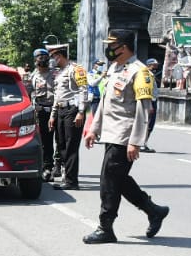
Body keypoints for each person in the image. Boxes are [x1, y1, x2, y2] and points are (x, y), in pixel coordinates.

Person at [81, 30, 169, 244]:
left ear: (124, 47)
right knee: (117, 179)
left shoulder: (141, 72)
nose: (109, 49)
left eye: (113, 45)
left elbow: (143, 110)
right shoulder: (115, 68)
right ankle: (153, 210)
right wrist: (94, 128)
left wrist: (136, 141)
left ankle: (105, 227)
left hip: (124, 135)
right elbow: (105, 102)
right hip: (111, 133)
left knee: (109, 182)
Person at [47, 43, 87, 190]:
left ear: (61, 55)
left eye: (54, 56)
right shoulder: (60, 72)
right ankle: (66, 176)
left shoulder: (76, 69)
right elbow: (58, 96)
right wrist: (53, 115)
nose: (53, 60)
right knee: (61, 144)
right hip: (61, 110)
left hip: (73, 110)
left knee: (71, 146)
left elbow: (83, 90)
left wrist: (81, 112)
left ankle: (71, 181)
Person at [26, 48, 58, 180]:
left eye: (45, 57)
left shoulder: (55, 74)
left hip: (56, 110)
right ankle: (47, 167)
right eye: (40, 57)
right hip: (41, 112)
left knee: (61, 141)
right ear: (35, 60)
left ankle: (60, 166)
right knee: (45, 141)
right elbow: (29, 94)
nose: (42, 60)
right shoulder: (32, 76)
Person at [141, 58, 161, 152]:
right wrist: (150, 104)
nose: (156, 66)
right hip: (150, 101)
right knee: (148, 124)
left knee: (149, 124)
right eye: (154, 64)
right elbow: (147, 89)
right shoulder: (147, 75)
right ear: (149, 65)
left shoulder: (150, 74)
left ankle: (143, 143)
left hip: (152, 100)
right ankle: (142, 144)